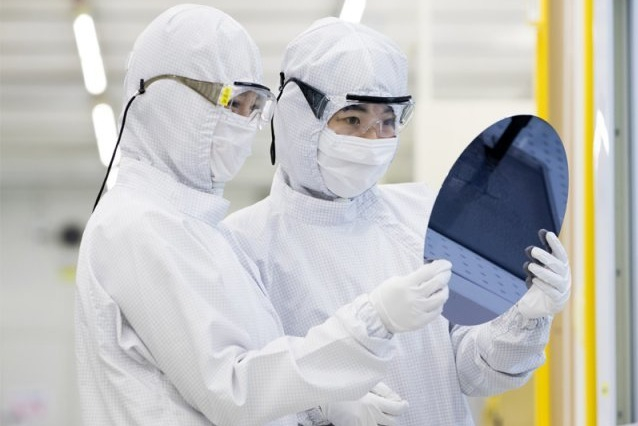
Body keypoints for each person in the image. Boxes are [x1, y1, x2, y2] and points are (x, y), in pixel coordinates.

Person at [74, 5, 456, 426]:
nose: (243, 123)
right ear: (168, 95)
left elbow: (246, 367)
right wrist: (372, 321)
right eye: (233, 101)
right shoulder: (140, 226)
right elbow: (234, 391)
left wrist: (322, 404)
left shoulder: (195, 229)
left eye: (253, 107)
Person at [223, 17, 572, 425]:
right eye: (353, 120)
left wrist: (526, 317)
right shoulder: (244, 245)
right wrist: (321, 405)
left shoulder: (419, 213)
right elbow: (238, 392)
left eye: (387, 121)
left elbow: (471, 368)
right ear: (300, 117)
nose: (375, 140)